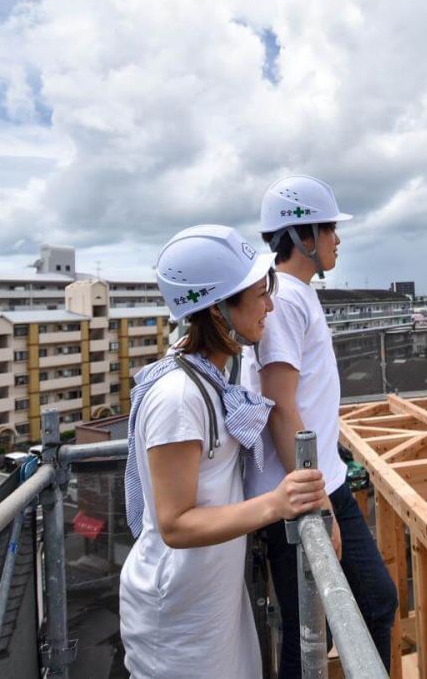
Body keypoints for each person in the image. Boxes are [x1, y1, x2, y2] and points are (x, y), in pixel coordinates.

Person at [119, 224, 327, 679]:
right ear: (218, 310)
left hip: (210, 601)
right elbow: (174, 523)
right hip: (177, 619)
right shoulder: (179, 396)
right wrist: (277, 502)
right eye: (259, 294)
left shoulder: (208, 378)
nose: (270, 305)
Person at [244, 175, 399, 676]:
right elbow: (280, 405)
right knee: (317, 625)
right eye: (330, 230)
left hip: (319, 479)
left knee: (356, 609)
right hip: (304, 491)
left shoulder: (295, 293)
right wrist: (320, 506)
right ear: (303, 236)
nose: (338, 241)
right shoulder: (285, 299)